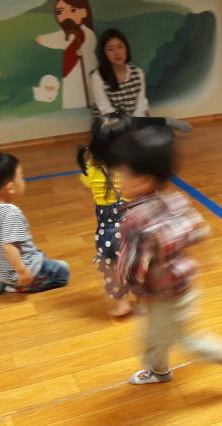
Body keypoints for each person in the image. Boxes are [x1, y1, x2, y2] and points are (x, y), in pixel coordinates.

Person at [111, 127, 222, 390]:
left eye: (123, 174)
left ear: (143, 181)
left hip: (163, 294)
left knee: (188, 341)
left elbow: (132, 266)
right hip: (184, 283)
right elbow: (198, 228)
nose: (119, 178)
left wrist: (131, 291)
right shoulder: (175, 200)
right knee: (154, 334)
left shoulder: (135, 220)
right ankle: (158, 369)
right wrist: (207, 255)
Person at [0, 152, 70, 297]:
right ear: (10, 187)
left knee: (39, 256)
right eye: (21, 177)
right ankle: (18, 287)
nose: (23, 180)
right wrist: (21, 271)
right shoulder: (11, 213)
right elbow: (8, 246)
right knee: (63, 271)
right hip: (20, 274)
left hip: (0, 270)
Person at [77, 112, 134, 317]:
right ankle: (145, 298)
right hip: (133, 225)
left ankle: (120, 304)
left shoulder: (92, 169)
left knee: (112, 266)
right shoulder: (131, 168)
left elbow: (87, 185)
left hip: (107, 231)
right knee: (140, 263)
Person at [89, 28, 192, 131]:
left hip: (135, 122)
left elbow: (141, 106)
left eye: (120, 47)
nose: (116, 53)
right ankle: (166, 121)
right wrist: (130, 125)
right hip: (110, 125)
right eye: (110, 49)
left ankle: (151, 129)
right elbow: (106, 111)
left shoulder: (137, 73)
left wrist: (136, 125)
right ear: (104, 53)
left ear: (126, 48)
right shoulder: (97, 77)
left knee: (165, 135)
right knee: (127, 137)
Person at [35, 0, 97, 109]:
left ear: (83, 12)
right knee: (72, 93)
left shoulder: (86, 33)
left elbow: (91, 43)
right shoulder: (69, 34)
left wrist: (83, 50)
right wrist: (42, 39)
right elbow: (55, 38)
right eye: (60, 12)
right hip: (70, 70)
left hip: (86, 67)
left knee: (88, 91)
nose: (66, 16)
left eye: (72, 10)